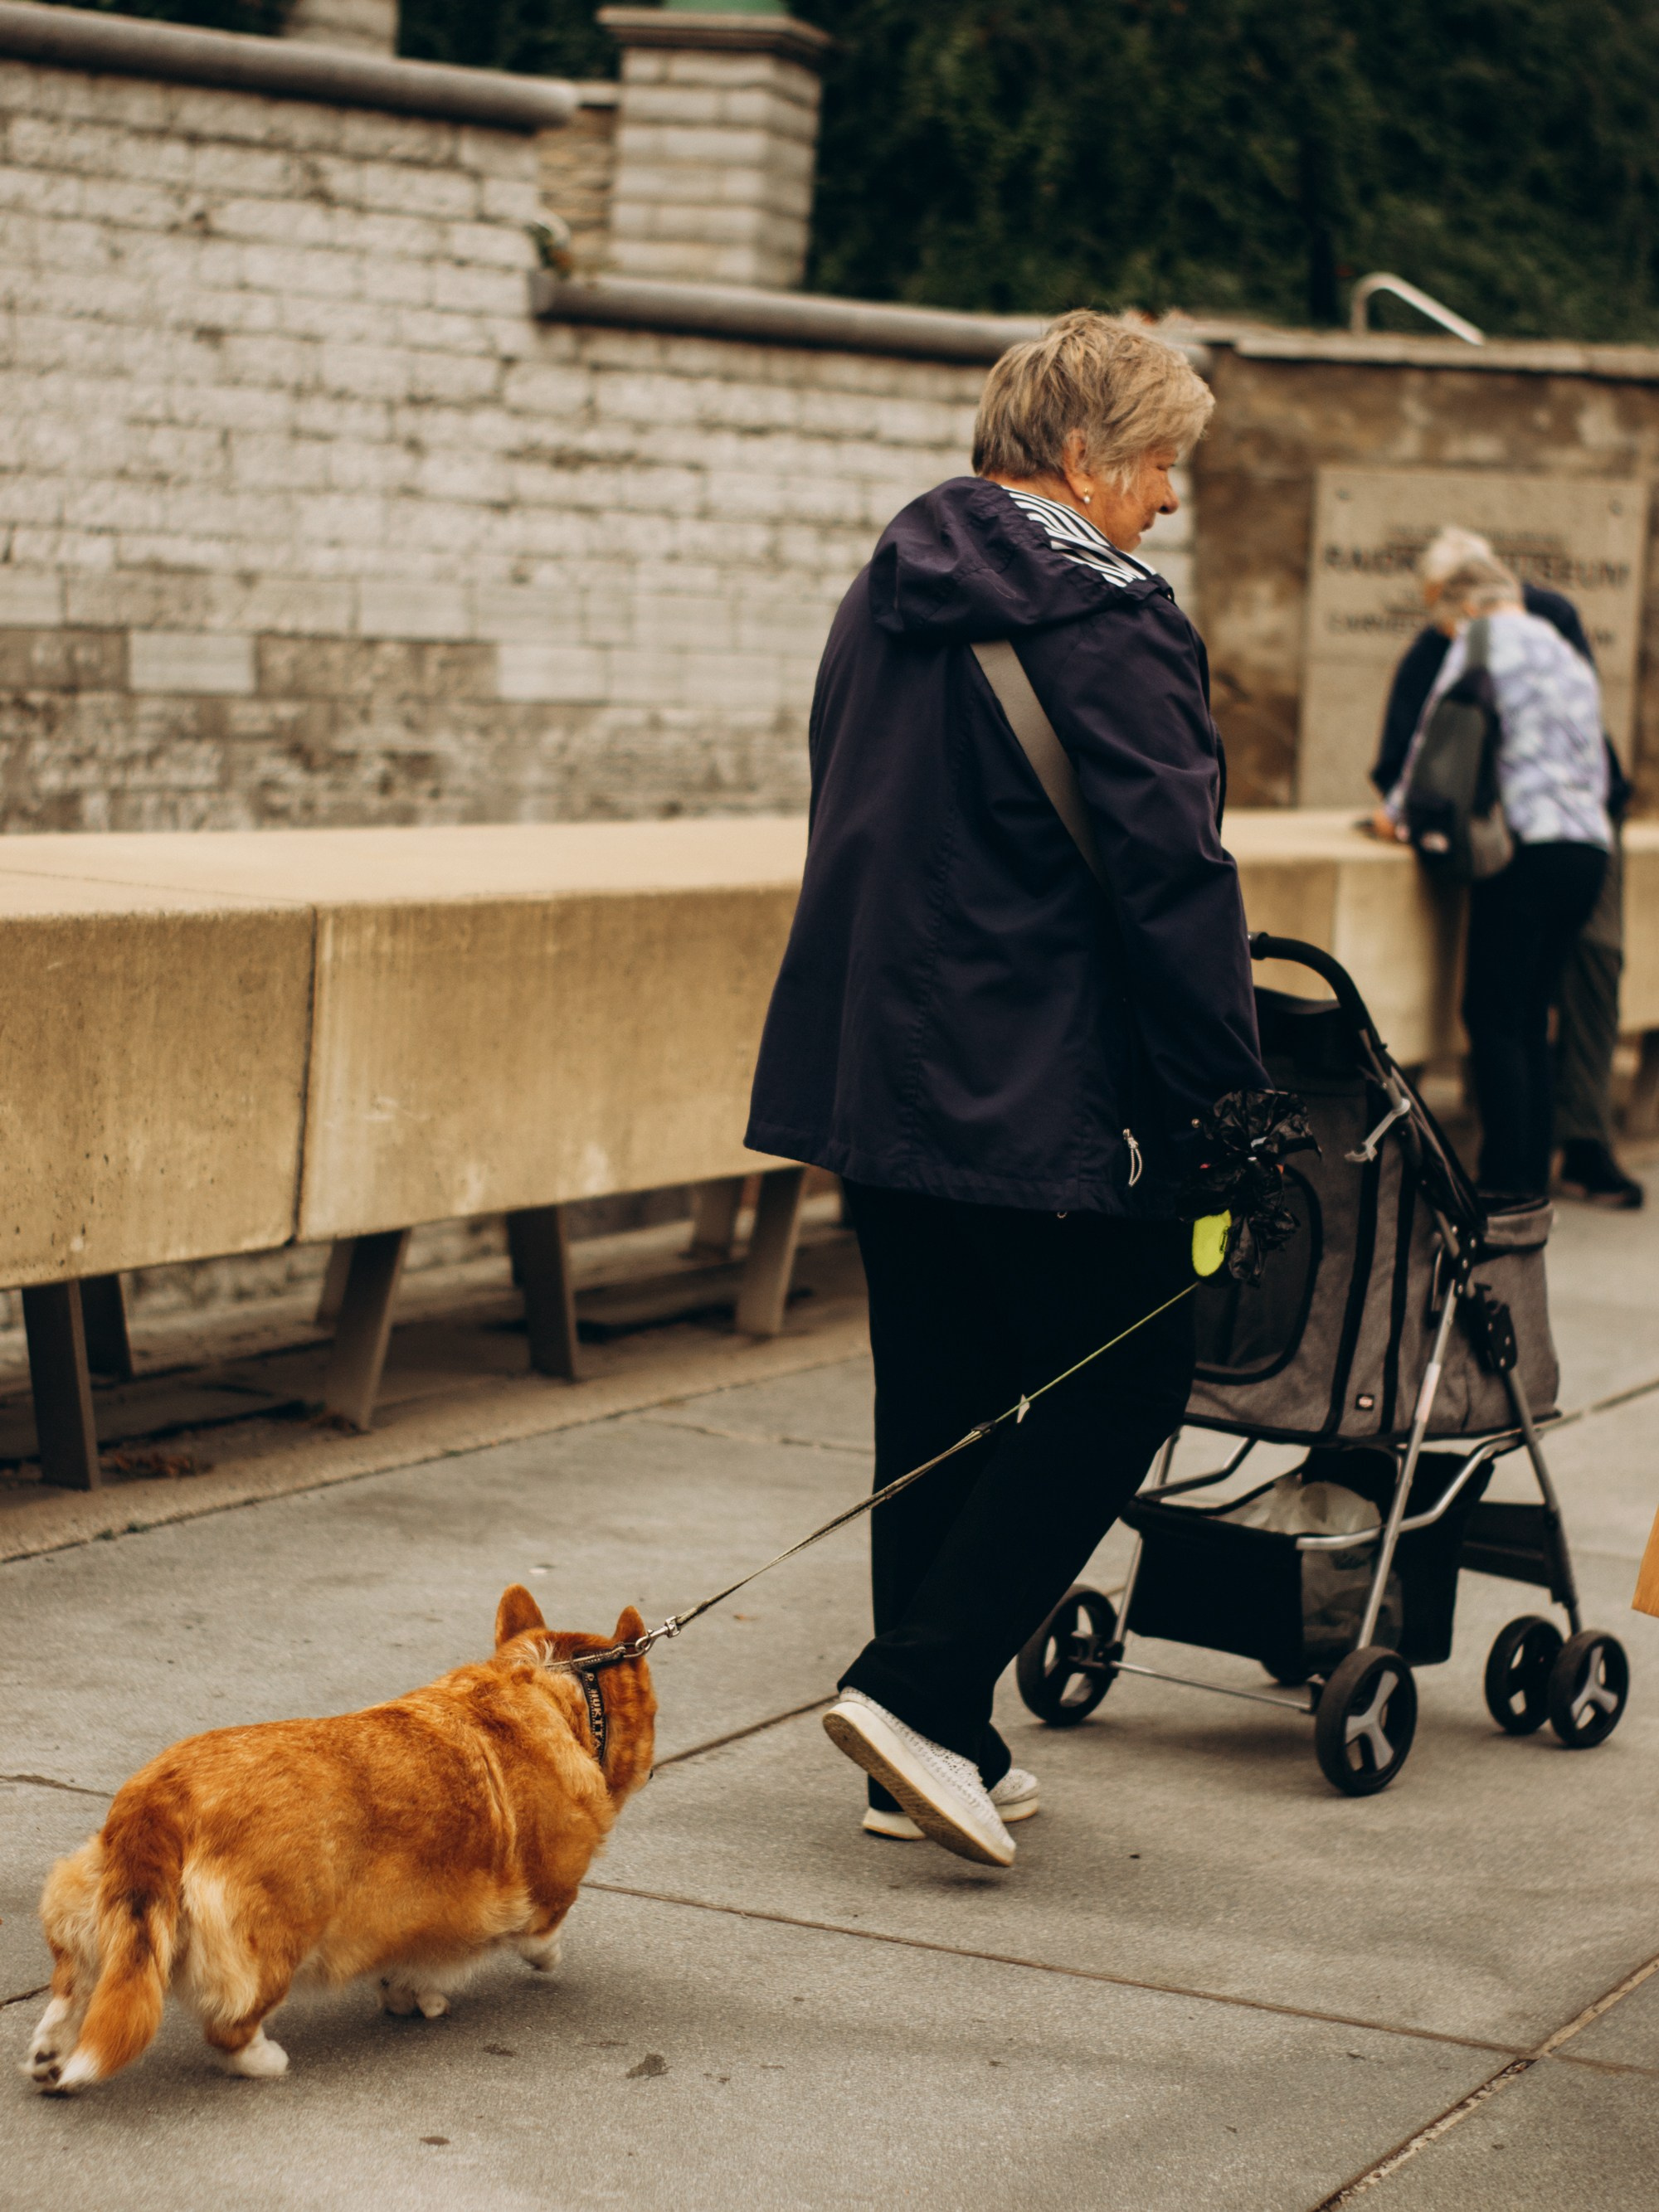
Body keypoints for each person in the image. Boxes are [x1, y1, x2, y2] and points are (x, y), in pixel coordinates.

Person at [746, 312, 1277, 1869]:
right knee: (1127, 1371)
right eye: (1161, 462)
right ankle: (912, 1691)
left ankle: (933, 1740)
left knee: (940, 1393)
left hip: (871, 1060)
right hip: (1038, 1075)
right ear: (1082, 458)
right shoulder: (1108, 617)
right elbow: (1172, 875)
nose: (1169, 499)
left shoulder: (885, 585)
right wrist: (1226, 1097)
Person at [1373, 527, 1641, 1209]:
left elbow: (1444, 735)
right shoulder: (1568, 654)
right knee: (1530, 1015)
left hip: (1525, 851)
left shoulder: (1483, 641)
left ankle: (1503, 1178)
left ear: (1463, 610)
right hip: (1587, 849)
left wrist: (1398, 809)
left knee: (1490, 1013)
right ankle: (1532, 1173)